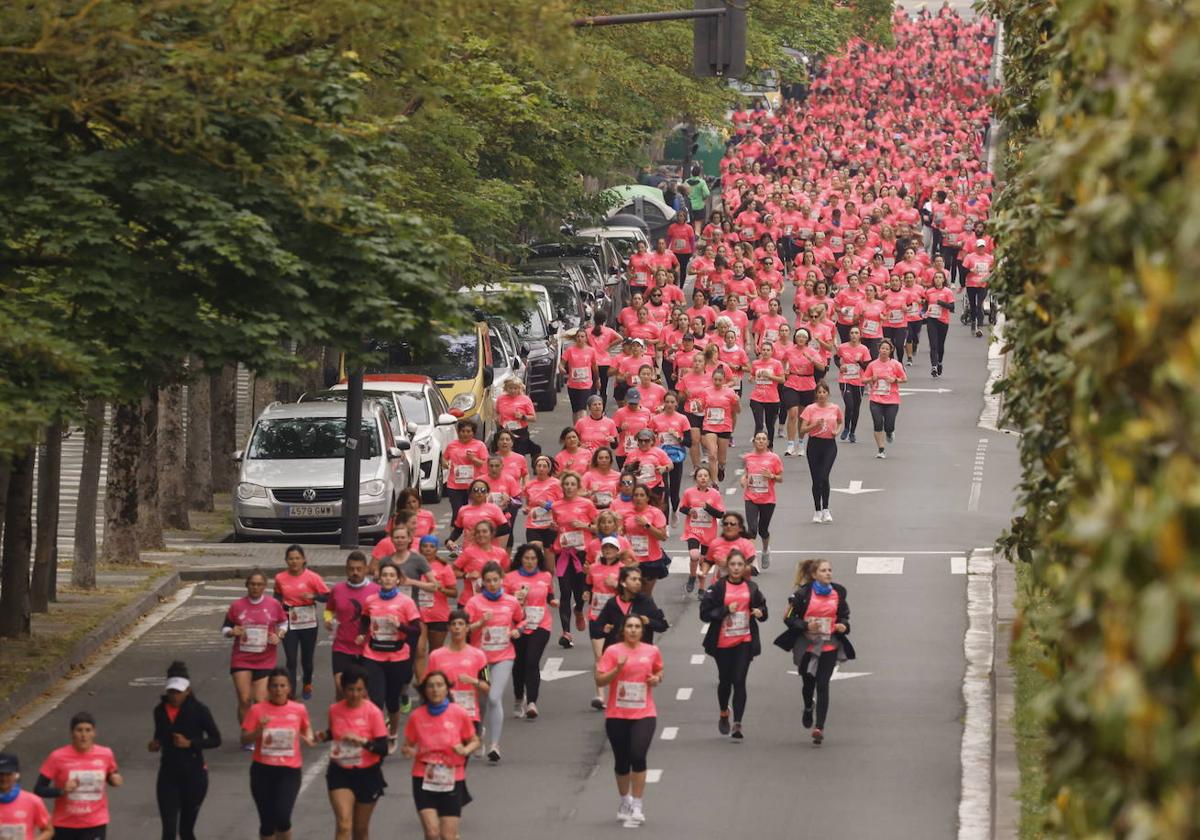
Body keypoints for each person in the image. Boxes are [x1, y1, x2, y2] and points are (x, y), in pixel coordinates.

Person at [773, 559, 855, 745]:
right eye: (824, 570)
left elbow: (844, 615)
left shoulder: (838, 593)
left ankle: (819, 727)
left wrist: (843, 625)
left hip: (829, 643)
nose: (828, 573)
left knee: (823, 684)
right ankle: (809, 705)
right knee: (808, 682)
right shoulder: (802, 594)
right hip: (807, 644)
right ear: (814, 574)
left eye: (830, 570)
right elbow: (788, 618)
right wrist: (806, 625)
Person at [595, 614, 664, 826]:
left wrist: (656, 678)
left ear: (642, 631)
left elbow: (659, 669)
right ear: (623, 630)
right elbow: (599, 679)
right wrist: (617, 669)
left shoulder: (651, 651)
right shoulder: (613, 651)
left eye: (636, 627)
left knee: (638, 755)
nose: (633, 630)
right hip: (617, 714)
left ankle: (638, 804)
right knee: (622, 761)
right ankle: (625, 800)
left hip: (644, 713)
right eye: (629, 627)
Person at [401, 672, 479, 840]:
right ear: (424, 691)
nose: (435, 690)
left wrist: (465, 751)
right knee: (432, 833)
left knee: (448, 836)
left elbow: (474, 740)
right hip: (423, 777)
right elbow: (407, 746)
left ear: (447, 689)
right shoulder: (417, 716)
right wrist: (410, 751)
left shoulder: (459, 713)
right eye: (431, 686)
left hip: (452, 777)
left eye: (440, 685)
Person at [148, 661, 221, 840]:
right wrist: (155, 744)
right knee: (169, 832)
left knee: (186, 831)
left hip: (194, 775)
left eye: (178, 692)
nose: (174, 696)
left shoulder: (199, 711)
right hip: (168, 775)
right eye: (171, 691)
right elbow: (159, 735)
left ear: (188, 691)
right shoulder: (159, 711)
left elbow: (215, 739)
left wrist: (190, 743)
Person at [699, 551, 768, 740]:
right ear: (727, 567)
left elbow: (763, 608)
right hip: (722, 641)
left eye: (740, 564)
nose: (736, 568)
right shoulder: (718, 588)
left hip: (744, 640)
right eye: (733, 565)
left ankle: (738, 723)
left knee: (739, 680)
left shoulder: (751, 587)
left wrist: (760, 612)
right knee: (725, 680)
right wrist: (724, 610)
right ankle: (723, 712)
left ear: (745, 567)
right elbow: (705, 614)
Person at [240, 670, 316, 840]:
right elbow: (244, 738)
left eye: (282, 686)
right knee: (267, 823)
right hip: (262, 771)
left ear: (289, 688)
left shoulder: (298, 709)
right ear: (268, 688)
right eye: (274, 685)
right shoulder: (257, 710)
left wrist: (310, 738)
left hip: (289, 771)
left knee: (282, 817)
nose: (278, 690)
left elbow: (306, 728)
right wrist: (258, 731)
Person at [318, 665, 389, 840]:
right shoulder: (335, 710)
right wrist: (323, 736)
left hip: (367, 774)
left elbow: (383, 748)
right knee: (343, 824)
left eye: (360, 690)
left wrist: (363, 741)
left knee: (360, 829)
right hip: (340, 772)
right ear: (343, 688)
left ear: (365, 690)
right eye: (351, 689)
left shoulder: (373, 712)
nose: (355, 694)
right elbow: (334, 733)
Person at [464, 562, 525, 762]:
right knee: (481, 701)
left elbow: (522, 620)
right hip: (481, 659)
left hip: (503, 656)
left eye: (495, 580)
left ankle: (495, 745)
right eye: (488, 580)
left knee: (493, 697)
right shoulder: (474, 602)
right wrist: (480, 622)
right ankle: (478, 733)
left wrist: (518, 630)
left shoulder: (511, 601)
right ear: (483, 581)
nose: (491, 584)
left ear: (501, 580)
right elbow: (464, 629)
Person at [356, 562, 423, 738]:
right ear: (379, 579)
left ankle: (392, 732)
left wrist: (400, 626)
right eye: (384, 575)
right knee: (376, 699)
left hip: (397, 657)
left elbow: (417, 631)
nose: (387, 579)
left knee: (392, 701)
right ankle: (377, 734)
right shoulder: (371, 600)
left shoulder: (406, 602)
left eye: (391, 576)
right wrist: (362, 634)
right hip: (373, 655)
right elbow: (364, 619)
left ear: (398, 580)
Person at [35, 712, 122, 840]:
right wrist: (62, 790)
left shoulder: (106, 754)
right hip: (64, 825)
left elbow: (110, 774)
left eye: (88, 730)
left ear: (94, 733)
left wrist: (114, 780)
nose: (83, 735)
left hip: (95, 823)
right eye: (79, 730)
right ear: (72, 733)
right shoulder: (57, 757)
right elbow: (39, 789)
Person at [223, 570, 288, 728]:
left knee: (260, 701)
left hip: (265, 659)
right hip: (241, 658)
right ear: (247, 585)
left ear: (265, 586)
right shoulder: (237, 606)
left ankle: (260, 733)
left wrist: (279, 635)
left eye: (259, 584)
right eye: (252, 584)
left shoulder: (273, 605)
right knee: (244, 699)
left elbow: (283, 623)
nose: (255, 587)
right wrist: (232, 632)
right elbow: (225, 628)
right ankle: (247, 734)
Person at [503, 543, 557, 720]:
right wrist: (514, 598)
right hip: (517, 626)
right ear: (520, 559)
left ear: (538, 560)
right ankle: (519, 697)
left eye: (533, 558)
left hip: (540, 624)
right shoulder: (510, 578)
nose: (530, 561)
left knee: (532, 662)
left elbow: (549, 595)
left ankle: (532, 702)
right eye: (526, 558)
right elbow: (503, 601)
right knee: (519, 665)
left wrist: (553, 601)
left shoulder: (546, 576)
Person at [549, 471, 598, 649]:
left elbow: (599, 526)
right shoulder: (556, 505)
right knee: (565, 592)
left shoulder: (586, 504)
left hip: (582, 553)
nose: (569, 487)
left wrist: (585, 526)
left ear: (578, 487)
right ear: (562, 487)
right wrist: (554, 527)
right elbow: (556, 525)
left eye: (572, 484)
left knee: (580, 592)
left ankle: (578, 610)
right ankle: (566, 633)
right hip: (563, 553)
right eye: (566, 484)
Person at [273, 544, 329, 700]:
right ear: (286, 560)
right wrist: (277, 606)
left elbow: (328, 596)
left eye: (297, 558)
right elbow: (277, 595)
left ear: (303, 559)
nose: (294, 561)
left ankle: (307, 682)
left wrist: (314, 596)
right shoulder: (280, 578)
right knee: (291, 659)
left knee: (307, 659)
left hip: (308, 622)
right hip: (289, 620)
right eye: (291, 558)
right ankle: (290, 693)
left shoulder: (313, 577)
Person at [325, 551, 380, 700]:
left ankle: (369, 719)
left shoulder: (376, 591)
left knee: (363, 693)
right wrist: (328, 619)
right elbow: (329, 609)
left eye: (359, 569)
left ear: (366, 569)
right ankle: (341, 719)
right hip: (342, 646)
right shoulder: (337, 589)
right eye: (351, 569)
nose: (355, 572)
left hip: (367, 648)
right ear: (346, 569)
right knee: (341, 688)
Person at [427, 611, 490, 738]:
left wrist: (473, 681)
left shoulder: (479, 656)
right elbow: (426, 686)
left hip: (469, 714)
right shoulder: (436, 656)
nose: (457, 627)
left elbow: (487, 687)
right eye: (453, 624)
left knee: (462, 755)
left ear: (467, 628)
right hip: (443, 712)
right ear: (449, 628)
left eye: (461, 624)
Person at [591, 566, 669, 649]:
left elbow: (662, 626)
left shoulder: (646, 602)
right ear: (622, 582)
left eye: (639, 579)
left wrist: (649, 621)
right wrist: (604, 630)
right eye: (634, 579)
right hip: (617, 654)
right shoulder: (612, 603)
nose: (638, 582)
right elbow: (596, 631)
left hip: (640, 654)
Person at [798, 382, 844, 522]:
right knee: (816, 479)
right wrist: (814, 425)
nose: (822, 395)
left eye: (824, 392)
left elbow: (841, 421)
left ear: (828, 394)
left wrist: (837, 430)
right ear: (816, 394)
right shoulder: (810, 409)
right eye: (819, 392)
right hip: (814, 444)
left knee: (824, 476)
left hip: (829, 445)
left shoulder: (835, 408)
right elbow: (802, 430)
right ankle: (817, 510)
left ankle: (826, 509)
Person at [739, 430, 783, 566]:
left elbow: (780, 478)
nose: (761, 441)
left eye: (764, 439)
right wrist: (743, 479)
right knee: (752, 529)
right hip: (750, 497)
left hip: (768, 499)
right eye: (758, 439)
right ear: (754, 442)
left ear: (768, 442)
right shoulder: (748, 457)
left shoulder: (774, 458)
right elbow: (746, 472)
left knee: (763, 530)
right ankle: (753, 562)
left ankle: (765, 550)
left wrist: (772, 476)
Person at [679, 465, 723, 595]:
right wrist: (689, 511)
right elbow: (682, 507)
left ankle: (702, 588)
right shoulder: (689, 492)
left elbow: (720, 514)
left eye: (705, 476)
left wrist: (708, 507)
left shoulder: (715, 494)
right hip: (693, 530)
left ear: (709, 478)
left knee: (703, 561)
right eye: (700, 476)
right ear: (695, 478)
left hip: (708, 533)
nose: (703, 478)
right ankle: (692, 577)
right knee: (694, 555)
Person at [620, 484, 670, 597]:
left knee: (645, 595)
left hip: (651, 560)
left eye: (642, 495)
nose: (638, 498)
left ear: (647, 498)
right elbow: (622, 532)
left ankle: (648, 614)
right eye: (636, 495)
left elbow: (663, 537)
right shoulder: (627, 513)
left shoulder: (655, 513)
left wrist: (647, 525)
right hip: (632, 560)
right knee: (632, 593)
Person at [862, 338, 907, 459]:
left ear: (890, 350)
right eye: (882, 348)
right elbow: (863, 379)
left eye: (887, 349)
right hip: (876, 399)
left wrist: (894, 380)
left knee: (889, 425)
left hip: (892, 400)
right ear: (879, 349)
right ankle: (881, 449)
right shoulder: (872, 364)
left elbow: (904, 379)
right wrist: (872, 378)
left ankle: (890, 432)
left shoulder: (895, 364)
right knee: (877, 423)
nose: (884, 351)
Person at [699, 366, 739, 483]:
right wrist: (697, 405)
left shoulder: (730, 392)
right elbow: (701, 407)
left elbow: (737, 410)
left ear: (724, 380)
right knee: (712, 455)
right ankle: (714, 482)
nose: (717, 382)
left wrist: (737, 401)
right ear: (712, 379)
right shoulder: (706, 391)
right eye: (715, 380)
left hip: (724, 426)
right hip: (709, 426)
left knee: (721, 459)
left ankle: (721, 467)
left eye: (719, 380)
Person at [442, 420, 488, 522]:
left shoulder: (480, 445)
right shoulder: (452, 445)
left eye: (468, 431)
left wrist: (473, 459)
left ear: (473, 433)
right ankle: (455, 536)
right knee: (457, 513)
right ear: (458, 432)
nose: (465, 434)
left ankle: (473, 534)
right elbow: (444, 458)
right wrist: (445, 463)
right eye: (462, 431)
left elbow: (485, 464)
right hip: (454, 485)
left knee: (474, 513)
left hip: (474, 486)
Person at [0, 752, 52, 840]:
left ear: (16, 775)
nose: (4, 778)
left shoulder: (33, 801)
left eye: (8, 774)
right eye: (0, 774)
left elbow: (48, 830)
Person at [836, 326, 871, 443]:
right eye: (852, 333)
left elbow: (867, 367)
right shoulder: (842, 347)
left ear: (860, 335)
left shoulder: (864, 349)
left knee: (856, 407)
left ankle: (852, 432)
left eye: (856, 333)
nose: (854, 335)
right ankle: (846, 428)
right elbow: (836, 358)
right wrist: (840, 366)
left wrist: (859, 361)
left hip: (859, 381)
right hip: (845, 380)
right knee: (849, 405)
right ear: (849, 335)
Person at [561, 328, 600, 420]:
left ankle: (582, 430)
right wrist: (561, 368)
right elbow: (562, 363)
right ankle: (576, 431)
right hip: (573, 385)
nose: (580, 338)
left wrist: (597, 379)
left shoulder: (591, 351)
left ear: (586, 338)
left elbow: (595, 366)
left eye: (582, 336)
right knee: (575, 411)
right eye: (578, 336)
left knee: (582, 410)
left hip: (586, 385)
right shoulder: (570, 350)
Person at [925, 270, 956, 377]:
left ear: (943, 280)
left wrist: (941, 303)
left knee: (940, 345)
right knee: (933, 344)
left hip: (943, 320)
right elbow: (925, 306)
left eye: (940, 277)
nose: (938, 279)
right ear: (933, 280)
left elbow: (952, 308)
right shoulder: (929, 291)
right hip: (931, 319)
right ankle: (933, 366)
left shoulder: (948, 292)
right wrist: (923, 313)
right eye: (936, 277)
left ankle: (939, 362)